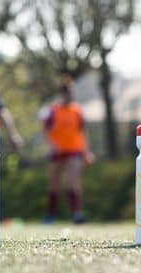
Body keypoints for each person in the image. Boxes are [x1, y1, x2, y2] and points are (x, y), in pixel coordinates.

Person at [42, 77, 94, 224]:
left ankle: (77, 214)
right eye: (66, 93)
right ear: (61, 94)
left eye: (70, 93)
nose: (69, 95)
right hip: (57, 152)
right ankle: (50, 215)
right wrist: (52, 145)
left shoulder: (77, 111)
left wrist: (86, 152)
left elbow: (83, 132)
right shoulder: (53, 110)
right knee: (54, 183)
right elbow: (45, 131)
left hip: (74, 151)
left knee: (73, 181)